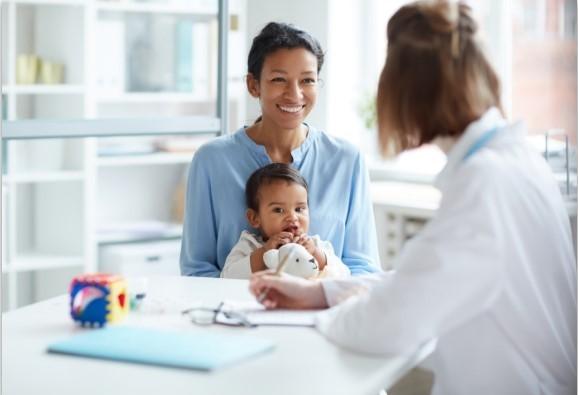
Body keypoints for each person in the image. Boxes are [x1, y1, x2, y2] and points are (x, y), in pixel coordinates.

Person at [249, 2, 577, 394]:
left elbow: (392, 320)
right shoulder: (514, 160)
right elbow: (416, 283)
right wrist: (318, 293)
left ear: (410, 91)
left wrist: (318, 321)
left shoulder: (486, 184)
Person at [180, 22, 381, 277]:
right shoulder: (211, 161)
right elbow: (197, 271)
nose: (294, 94)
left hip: (323, 313)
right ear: (253, 85)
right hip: (235, 313)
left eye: (307, 80)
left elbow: (364, 270)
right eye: (279, 79)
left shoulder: (347, 160)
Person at [222, 163, 350, 279]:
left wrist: (316, 254)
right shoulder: (249, 245)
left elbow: (344, 275)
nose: (293, 217)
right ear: (254, 218)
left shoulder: (316, 244)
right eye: (279, 210)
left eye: (299, 209)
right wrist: (264, 253)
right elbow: (226, 277)